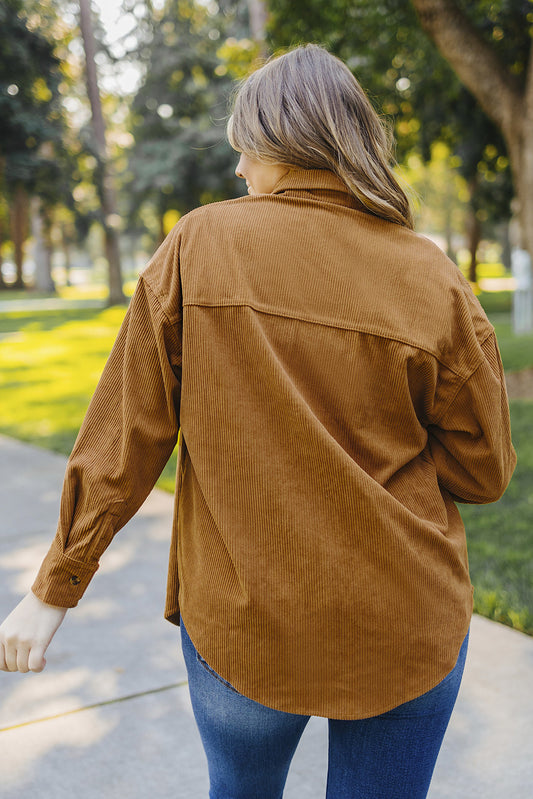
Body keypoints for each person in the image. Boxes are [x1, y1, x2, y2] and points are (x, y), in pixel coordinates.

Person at [0, 44, 516, 798]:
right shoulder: (432, 276)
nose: (239, 168)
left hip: (245, 620)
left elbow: (126, 435)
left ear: (282, 141)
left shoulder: (199, 244)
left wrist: (55, 586)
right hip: (405, 620)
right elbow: (484, 470)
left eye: (246, 146)